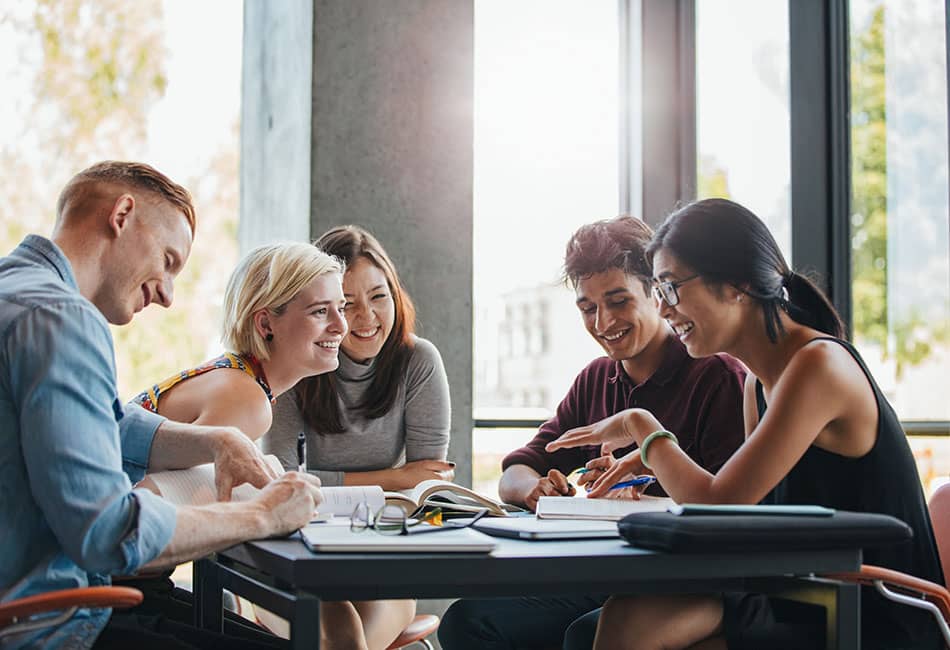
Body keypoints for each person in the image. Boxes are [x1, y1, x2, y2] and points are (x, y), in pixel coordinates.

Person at [547, 198, 944, 650]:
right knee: (612, 621)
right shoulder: (758, 381)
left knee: (626, 625)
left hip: (871, 609)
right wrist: (651, 459)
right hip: (803, 591)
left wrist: (643, 427)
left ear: (736, 284)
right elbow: (741, 516)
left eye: (671, 288)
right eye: (658, 291)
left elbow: (716, 505)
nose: (664, 308)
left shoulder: (817, 366)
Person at [0, 161, 322, 650]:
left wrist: (215, 439)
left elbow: (99, 418)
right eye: (168, 260)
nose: (169, 295)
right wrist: (263, 515)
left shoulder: (18, 295)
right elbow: (110, 533)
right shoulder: (62, 318)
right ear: (122, 214)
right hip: (49, 622)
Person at [438, 215, 747, 650]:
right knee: (467, 621)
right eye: (587, 308)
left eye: (618, 302)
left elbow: (728, 512)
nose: (603, 323)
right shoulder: (596, 378)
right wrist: (535, 489)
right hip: (607, 576)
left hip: (687, 583)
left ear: (656, 294)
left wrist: (644, 500)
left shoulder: (716, 375)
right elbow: (516, 470)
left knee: (587, 635)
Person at [262, 225, 452, 649]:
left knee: (348, 640)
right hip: (301, 554)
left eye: (378, 296)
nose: (366, 318)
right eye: (346, 304)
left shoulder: (418, 361)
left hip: (382, 556)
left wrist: (400, 481)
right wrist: (394, 477)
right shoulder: (294, 365)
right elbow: (281, 484)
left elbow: (428, 487)